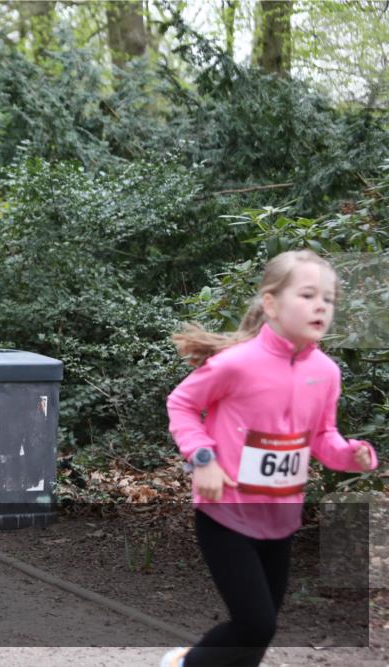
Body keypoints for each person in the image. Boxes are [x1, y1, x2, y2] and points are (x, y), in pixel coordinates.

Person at [161, 249, 379, 667]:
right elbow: (182, 404)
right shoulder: (237, 364)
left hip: (280, 519)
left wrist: (351, 456)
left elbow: (323, 438)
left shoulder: (326, 373)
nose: (321, 306)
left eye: (329, 299)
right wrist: (203, 458)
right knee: (255, 624)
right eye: (308, 295)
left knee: (260, 630)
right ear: (271, 304)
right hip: (225, 512)